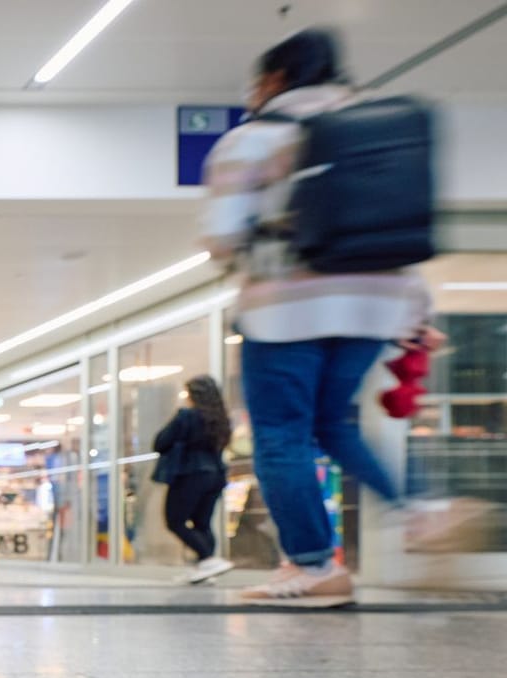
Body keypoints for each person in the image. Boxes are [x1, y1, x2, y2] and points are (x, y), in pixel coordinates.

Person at [202, 28, 463, 607]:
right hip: (377, 307)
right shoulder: (378, 132)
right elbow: (398, 232)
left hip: (287, 310)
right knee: (334, 424)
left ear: (273, 80)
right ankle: (423, 505)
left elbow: (221, 236)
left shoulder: (251, 141)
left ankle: (314, 565)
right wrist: (417, 313)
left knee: (279, 435)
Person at [154, 377, 235, 584]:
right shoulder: (222, 419)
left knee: (174, 520)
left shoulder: (187, 416)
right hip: (216, 474)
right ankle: (205, 568)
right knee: (202, 522)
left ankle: (208, 559)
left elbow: (161, 442)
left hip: (190, 472)